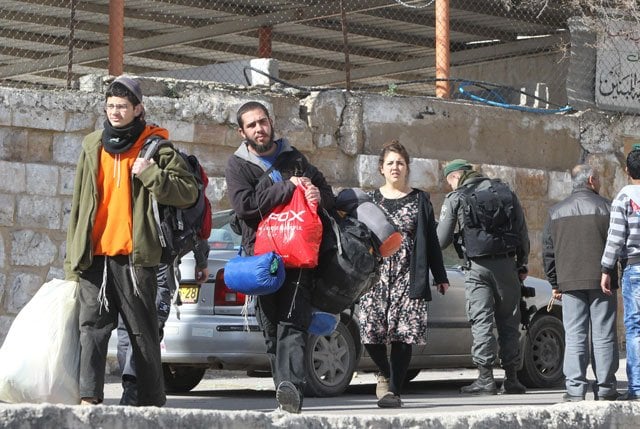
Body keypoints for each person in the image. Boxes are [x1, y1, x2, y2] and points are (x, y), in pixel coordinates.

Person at [63, 76, 199, 406]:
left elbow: (188, 192)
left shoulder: (156, 147)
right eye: (110, 106)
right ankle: (89, 398)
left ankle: (151, 400)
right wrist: (72, 261)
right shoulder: (92, 145)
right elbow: (80, 205)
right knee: (91, 328)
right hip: (96, 255)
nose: (115, 112)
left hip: (136, 257)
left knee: (142, 331)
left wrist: (149, 173)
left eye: (123, 106)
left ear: (138, 109)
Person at [224, 101, 335, 413]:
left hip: (298, 255)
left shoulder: (294, 157)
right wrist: (288, 187)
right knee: (271, 326)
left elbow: (329, 196)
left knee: (293, 321)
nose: (260, 129)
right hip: (261, 258)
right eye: (252, 125)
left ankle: (292, 392)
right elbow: (245, 206)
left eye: (263, 121)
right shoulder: (238, 166)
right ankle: (283, 391)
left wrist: (315, 194)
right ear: (242, 132)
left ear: (271, 122)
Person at [358, 141, 449, 408]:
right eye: (390, 163)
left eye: (400, 162)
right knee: (369, 332)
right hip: (375, 276)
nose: (395, 167)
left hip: (409, 274)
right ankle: (385, 373)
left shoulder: (420, 199)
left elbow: (430, 240)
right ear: (381, 169)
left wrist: (440, 275)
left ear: (407, 167)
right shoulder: (370, 200)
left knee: (403, 334)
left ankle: (394, 391)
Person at [437, 159, 529, 395]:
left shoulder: (457, 196)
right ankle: (512, 378)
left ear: (455, 177)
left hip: (477, 267)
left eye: (449, 182)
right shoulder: (505, 191)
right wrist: (521, 263)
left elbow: (442, 239)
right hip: (508, 264)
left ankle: (486, 378)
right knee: (509, 321)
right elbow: (522, 232)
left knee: (481, 321)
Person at [543, 164, 619, 402]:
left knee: (574, 334)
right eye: (597, 179)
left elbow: (548, 251)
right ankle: (605, 388)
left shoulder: (556, 211)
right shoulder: (607, 208)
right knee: (604, 334)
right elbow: (618, 243)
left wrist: (555, 283)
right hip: (603, 281)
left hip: (570, 281)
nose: (599, 182)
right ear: (590, 180)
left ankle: (575, 389)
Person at [116, 237, 210, 405]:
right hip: (157, 264)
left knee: (128, 329)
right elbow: (198, 230)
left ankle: (132, 389)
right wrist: (201, 261)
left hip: (126, 259)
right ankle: (132, 389)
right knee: (149, 330)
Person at [601, 147, 640, 402]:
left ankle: (637, 387)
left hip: (635, 268)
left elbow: (615, 238)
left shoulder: (624, 196)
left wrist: (606, 269)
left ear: (627, 171)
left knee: (635, 328)